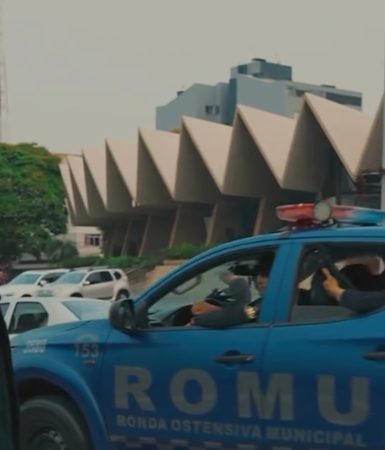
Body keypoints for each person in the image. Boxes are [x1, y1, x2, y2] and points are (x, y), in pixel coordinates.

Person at [191, 254, 273, 328]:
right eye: (256, 275)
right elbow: (242, 310)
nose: (258, 280)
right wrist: (215, 310)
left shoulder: (263, 306)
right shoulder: (265, 303)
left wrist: (198, 320)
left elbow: (243, 314)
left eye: (265, 275)